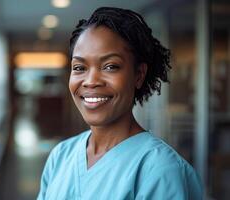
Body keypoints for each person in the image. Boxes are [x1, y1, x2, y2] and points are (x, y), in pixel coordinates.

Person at [37, 7, 203, 200]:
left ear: (138, 75)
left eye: (110, 66)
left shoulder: (159, 168)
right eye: (79, 67)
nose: (91, 81)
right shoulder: (60, 156)